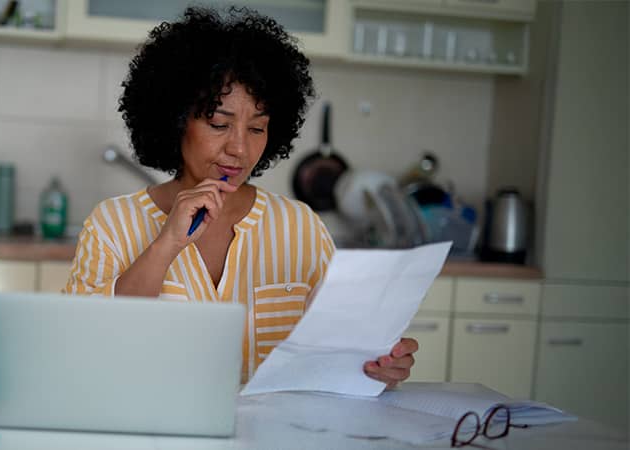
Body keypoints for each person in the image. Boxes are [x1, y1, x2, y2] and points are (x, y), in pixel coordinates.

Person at [64, 6, 417, 386]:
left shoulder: (301, 227)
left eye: (257, 129)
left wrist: (379, 367)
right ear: (175, 121)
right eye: (219, 124)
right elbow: (82, 348)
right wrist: (166, 244)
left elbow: (342, 360)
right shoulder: (112, 225)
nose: (240, 149)